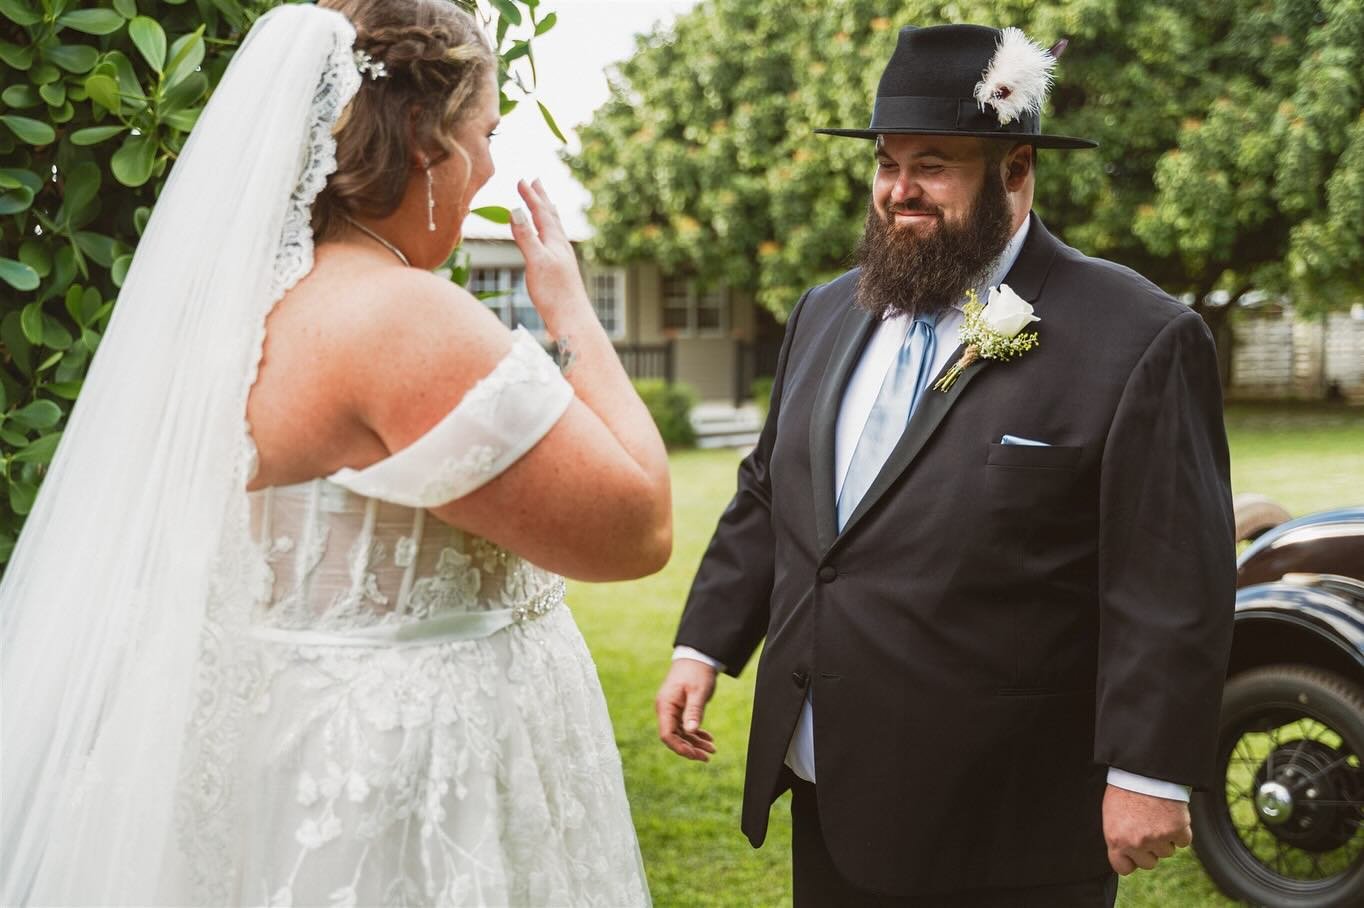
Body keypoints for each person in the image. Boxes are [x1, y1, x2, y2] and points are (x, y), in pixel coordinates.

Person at [0, 1, 665, 904]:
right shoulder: (401, 320)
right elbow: (638, 528)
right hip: (399, 815)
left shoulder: (229, 317)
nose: (490, 168)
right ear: (426, 141)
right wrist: (571, 311)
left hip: (280, 776)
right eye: (486, 133)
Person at [655, 23, 1235, 907]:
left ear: (1016, 168)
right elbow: (773, 494)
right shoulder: (824, 312)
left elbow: (1171, 574)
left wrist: (1149, 772)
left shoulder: (1139, 336)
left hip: (1007, 817)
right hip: (827, 783)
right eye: (887, 163)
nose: (900, 191)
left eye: (933, 165)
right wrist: (704, 646)